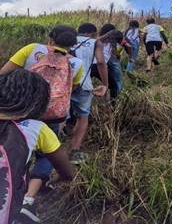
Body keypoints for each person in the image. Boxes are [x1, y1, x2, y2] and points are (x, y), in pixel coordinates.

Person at [0, 25, 82, 223]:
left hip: (15, 108)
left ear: (51, 38)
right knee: (46, 151)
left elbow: (4, 73)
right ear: (73, 44)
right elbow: (75, 87)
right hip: (53, 114)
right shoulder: (77, 63)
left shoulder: (31, 49)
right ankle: (30, 196)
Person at [0, 69, 74, 224]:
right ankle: (28, 201)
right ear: (38, 104)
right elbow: (67, 173)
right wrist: (54, 181)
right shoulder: (36, 129)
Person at [69, 23, 108, 164]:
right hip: (83, 84)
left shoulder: (68, 38)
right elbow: (101, 63)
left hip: (63, 84)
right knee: (82, 117)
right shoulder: (95, 42)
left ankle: (50, 151)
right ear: (93, 33)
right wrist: (105, 84)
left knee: (60, 116)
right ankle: (74, 151)